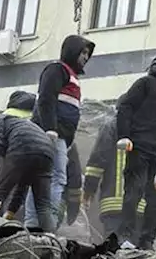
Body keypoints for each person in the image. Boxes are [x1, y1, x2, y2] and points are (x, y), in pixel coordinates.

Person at [114, 53, 156, 249]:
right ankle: (124, 238)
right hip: (139, 147)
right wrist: (123, 135)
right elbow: (126, 107)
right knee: (133, 192)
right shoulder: (144, 84)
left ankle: (147, 242)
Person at [33, 34, 95, 228]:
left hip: (61, 137)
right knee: (55, 179)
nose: (85, 57)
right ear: (72, 51)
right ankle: (44, 223)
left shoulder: (71, 76)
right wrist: (51, 129)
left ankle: (36, 223)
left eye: (87, 54)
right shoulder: (57, 69)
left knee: (43, 178)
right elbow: (46, 98)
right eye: (82, 52)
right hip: (53, 135)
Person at [0, 93, 59, 232]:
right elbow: (23, 183)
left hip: (23, 145)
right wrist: (11, 211)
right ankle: (53, 241)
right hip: (47, 151)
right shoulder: (17, 126)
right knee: (43, 205)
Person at [83, 117, 143, 239]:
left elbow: (98, 161)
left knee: (113, 249)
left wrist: (88, 191)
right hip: (140, 205)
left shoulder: (111, 125)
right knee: (135, 250)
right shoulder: (149, 127)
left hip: (114, 203)